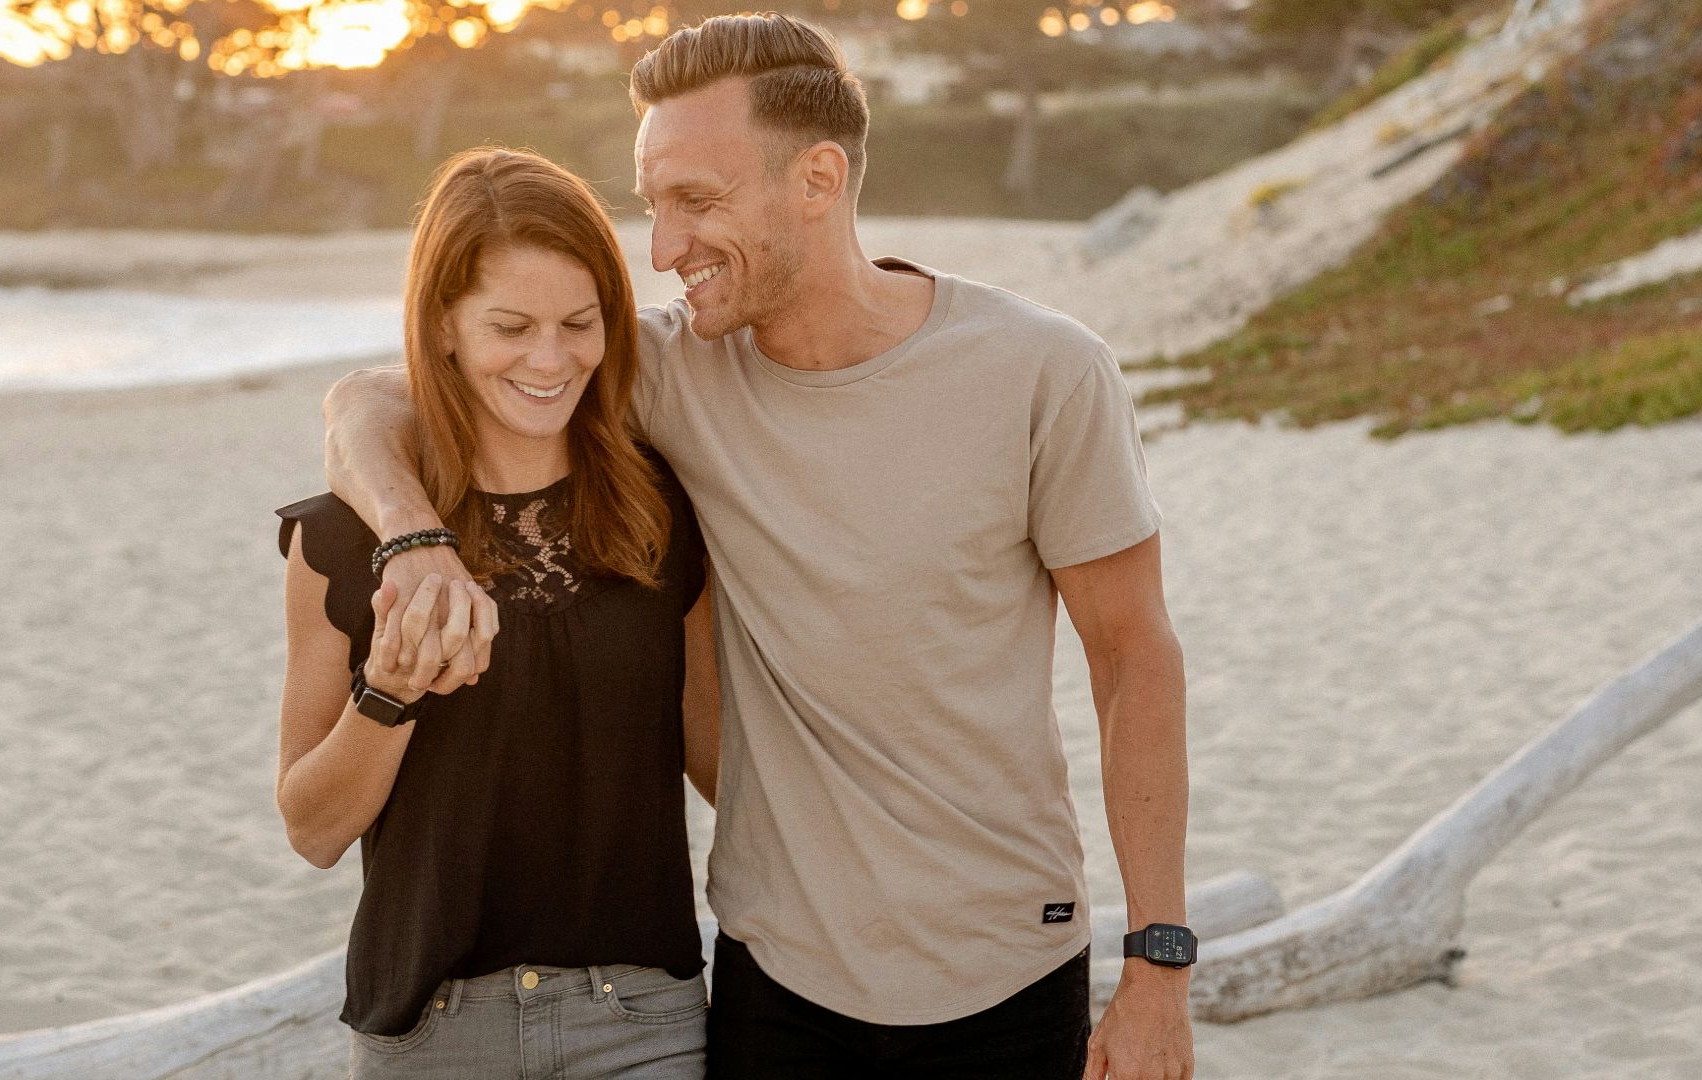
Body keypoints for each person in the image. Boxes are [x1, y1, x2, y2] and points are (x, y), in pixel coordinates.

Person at [322, 14, 1196, 1080]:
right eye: (654, 205)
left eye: (697, 201)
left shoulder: (1045, 372)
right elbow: (371, 398)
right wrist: (414, 542)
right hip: (776, 977)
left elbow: (1134, 661)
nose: (664, 247)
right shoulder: (664, 373)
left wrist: (1158, 961)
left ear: (818, 180)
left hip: (1009, 959)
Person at [272, 147, 721, 1080]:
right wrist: (388, 692)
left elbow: (726, 766)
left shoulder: (664, 520)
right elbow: (312, 831)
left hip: (640, 1020)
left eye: (579, 323)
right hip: (428, 1031)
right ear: (442, 326)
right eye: (510, 326)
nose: (550, 360)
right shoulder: (340, 545)